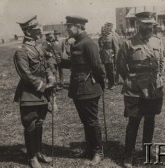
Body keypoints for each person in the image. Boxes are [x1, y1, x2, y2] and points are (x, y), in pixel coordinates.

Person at [117, 12, 164, 168]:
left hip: (153, 87)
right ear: (138, 24)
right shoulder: (128, 43)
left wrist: (157, 78)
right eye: (145, 23)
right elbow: (121, 66)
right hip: (135, 89)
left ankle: (147, 150)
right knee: (134, 121)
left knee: (150, 119)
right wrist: (132, 80)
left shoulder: (157, 42)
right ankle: (128, 155)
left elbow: (161, 62)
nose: (149, 26)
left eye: (151, 23)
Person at [60, 16, 105, 165]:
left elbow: (97, 66)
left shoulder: (89, 43)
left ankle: (98, 152)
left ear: (78, 27)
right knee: (85, 121)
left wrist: (100, 83)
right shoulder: (76, 43)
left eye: (69, 27)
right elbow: (74, 64)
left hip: (89, 88)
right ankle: (90, 149)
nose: (67, 29)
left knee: (91, 121)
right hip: (77, 88)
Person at [13, 15, 55, 168]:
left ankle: (38, 153)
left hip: (42, 93)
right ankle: (32, 157)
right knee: (30, 125)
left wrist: (51, 77)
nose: (40, 32)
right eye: (37, 30)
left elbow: (45, 66)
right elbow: (26, 75)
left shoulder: (38, 48)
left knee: (39, 123)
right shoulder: (21, 52)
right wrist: (43, 86)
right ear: (29, 31)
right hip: (29, 94)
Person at [98, 24, 119, 89]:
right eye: (105, 28)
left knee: (111, 70)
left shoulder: (113, 36)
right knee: (106, 69)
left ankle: (112, 84)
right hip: (104, 55)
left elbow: (116, 48)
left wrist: (116, 57)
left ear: (110, 29)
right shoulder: (102, 37)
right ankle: (107, 83)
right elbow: (100, 45)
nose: (105, 29)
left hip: (110, 55)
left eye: (107, 28)